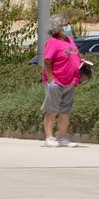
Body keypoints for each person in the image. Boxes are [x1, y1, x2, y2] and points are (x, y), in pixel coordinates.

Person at [41, 14, 83, 148]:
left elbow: (75, 56)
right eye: (65, 24)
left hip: (70, 81)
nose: (68, 26)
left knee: (65, 110)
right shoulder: (52, 42)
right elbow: (47, 61)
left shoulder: (70, 40)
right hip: (56, 82)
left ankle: (62, 137)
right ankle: (49, 137)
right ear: (57, 27)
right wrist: (51, 79)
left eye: (68, 24)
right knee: (52, 110)